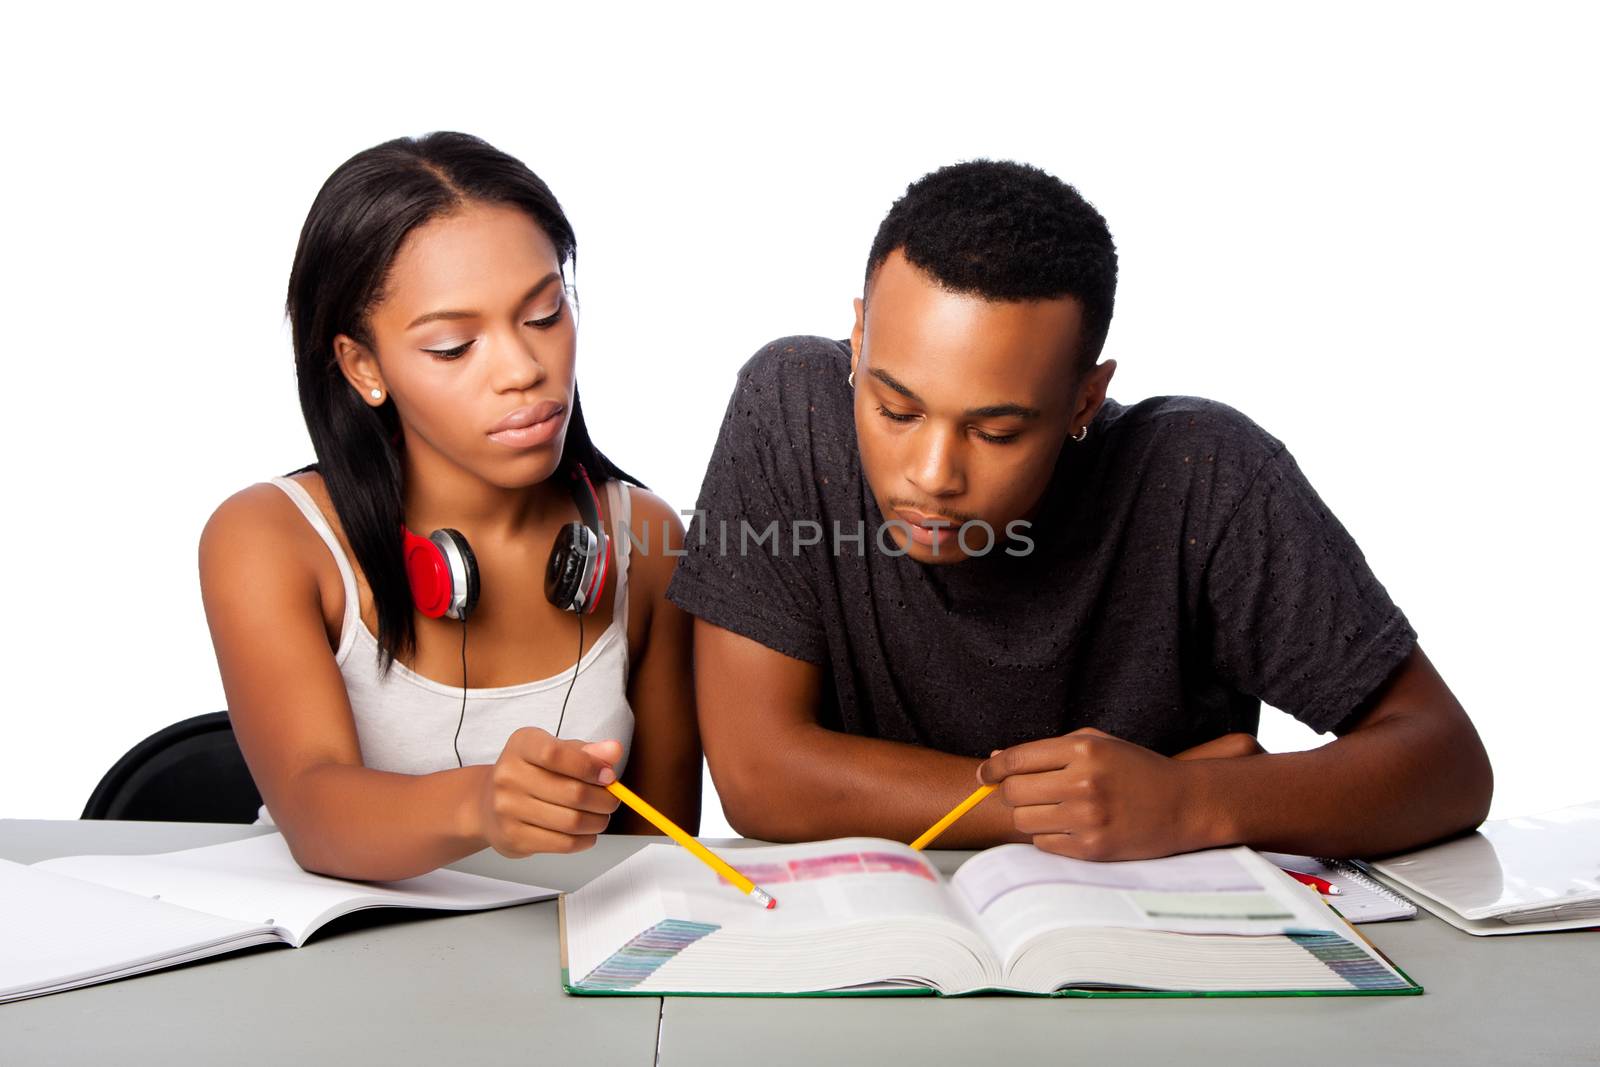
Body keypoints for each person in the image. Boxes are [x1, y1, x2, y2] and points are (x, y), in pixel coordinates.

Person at [668, 160, 1492, 860]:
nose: (932, 474)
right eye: (896, 410)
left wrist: (1192, 802)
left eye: (995, 430)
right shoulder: (792, 411)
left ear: (1084, 398)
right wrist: (1072, 811)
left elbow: (1448, 760)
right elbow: (761, 775)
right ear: (858, 341)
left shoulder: (1204, 477)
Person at [200, 132, 699, 881]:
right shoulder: (268, 539)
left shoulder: (647, 539)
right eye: (454, 346)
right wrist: (482, 804)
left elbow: (660, 860)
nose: (525, 369)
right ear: (363, 366)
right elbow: (312, 807)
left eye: (543, 315)